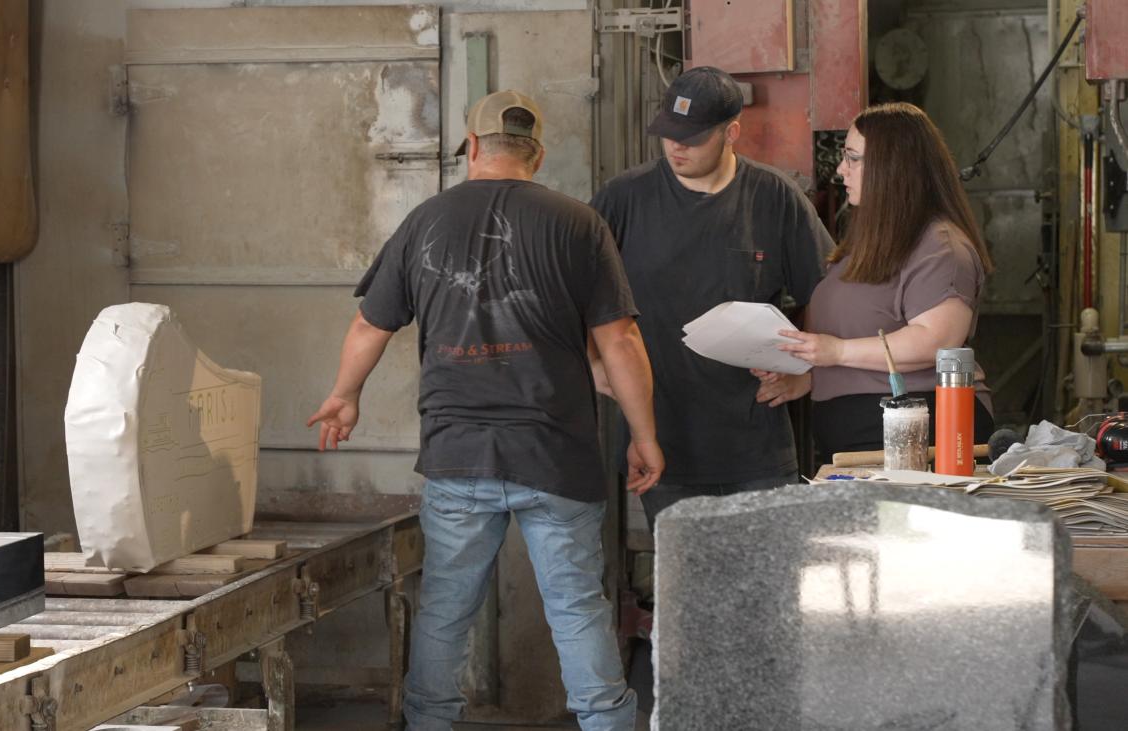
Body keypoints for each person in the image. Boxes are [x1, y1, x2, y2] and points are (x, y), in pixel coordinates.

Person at [306, 90, 663, 731]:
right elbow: (621, 341)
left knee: (446, 607)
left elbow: (369, 325)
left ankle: (430, 724)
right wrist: (645, 436)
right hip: (555, 455)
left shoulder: (425, 221)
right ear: (538, 154)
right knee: (578, 607)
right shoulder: (578, 224)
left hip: (458, 453)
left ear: (471, 148)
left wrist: (344, 394)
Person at [589, 66, 833, 529]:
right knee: (691, 590)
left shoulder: (774, 198)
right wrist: (594, 362)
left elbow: (830, 294)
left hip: (757, 441)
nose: (677, 146)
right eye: (668, 134)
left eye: (693, 137)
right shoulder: (623, 200)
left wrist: (809, 374)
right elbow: (575, 294)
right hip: (662, 439)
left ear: (731, 132)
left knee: (771, 586)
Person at [760, 102, 996, 462]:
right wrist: (808, 378)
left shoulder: (940, 246)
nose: (841, 170)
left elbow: (936, 340)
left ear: (893, 168)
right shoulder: (866, 245)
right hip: (857, 438)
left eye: (853, 158)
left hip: (920, 430)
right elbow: (859, 341)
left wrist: (834, 351)